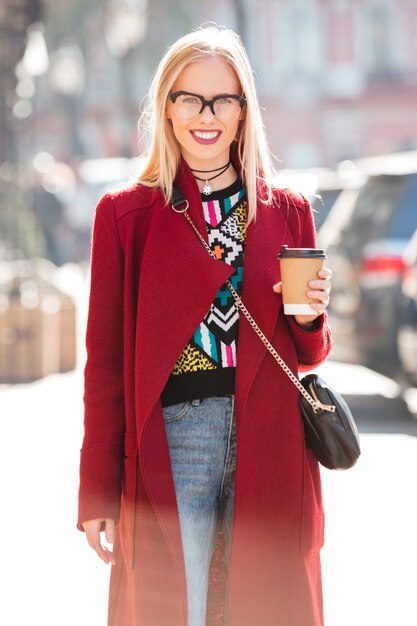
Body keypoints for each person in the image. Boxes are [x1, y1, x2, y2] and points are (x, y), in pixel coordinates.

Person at [78, 25, 333, 626]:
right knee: (179, 612)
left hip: (271, 439)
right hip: (173, 441)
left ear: (244, 113)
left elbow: (309, 352)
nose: (205, 115)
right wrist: (96, 491)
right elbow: (106, 366)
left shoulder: (287, 211)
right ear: (166, 109)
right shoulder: (126, 216)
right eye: (189, 98)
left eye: (222, 100)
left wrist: (309, 314)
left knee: (265, 609)